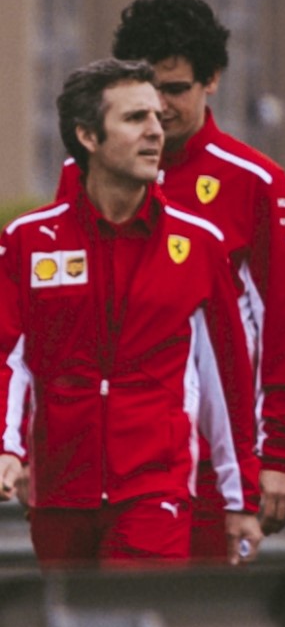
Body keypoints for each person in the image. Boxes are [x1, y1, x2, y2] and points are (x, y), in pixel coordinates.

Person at [59, 0, 285, 558]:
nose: (161, 108)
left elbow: (283, 328)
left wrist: (277, 457)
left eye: (175, 89)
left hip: (209, 468)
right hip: (93, 465)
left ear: (211, 80)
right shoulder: (80, 176)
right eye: (147, 91)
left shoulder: (255, 181)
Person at [0, 59, 262, 565]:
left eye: (158, 119)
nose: (154, 132)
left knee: (129, 622)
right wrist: (7, 447)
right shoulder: (27, 241)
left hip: (154, 491)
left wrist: (239, 498)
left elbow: (227, 381)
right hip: (58, 494)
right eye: (134, 118)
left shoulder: (200, 245)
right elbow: (8, 357)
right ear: (88, 137)